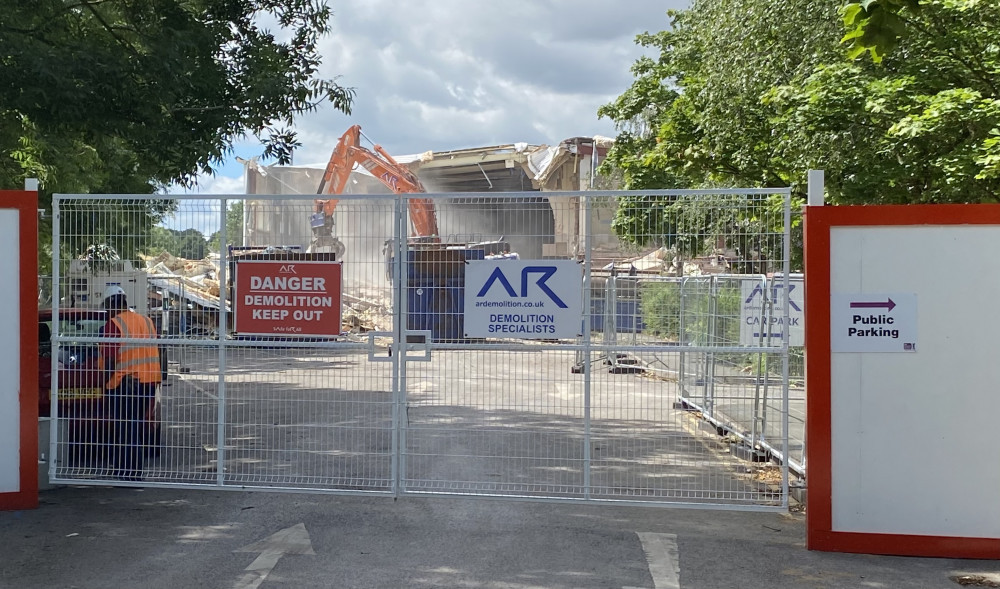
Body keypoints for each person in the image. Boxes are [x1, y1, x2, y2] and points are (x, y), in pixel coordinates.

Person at [98, 285, 162, 481]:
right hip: (149, 381)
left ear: (110, 304)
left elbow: (110, 360)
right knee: (136, 426)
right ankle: (127, 469)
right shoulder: (147, 321)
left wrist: (104, 382)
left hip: (126, 383)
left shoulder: (113, 325)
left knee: (126, 428)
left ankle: (130, 473)